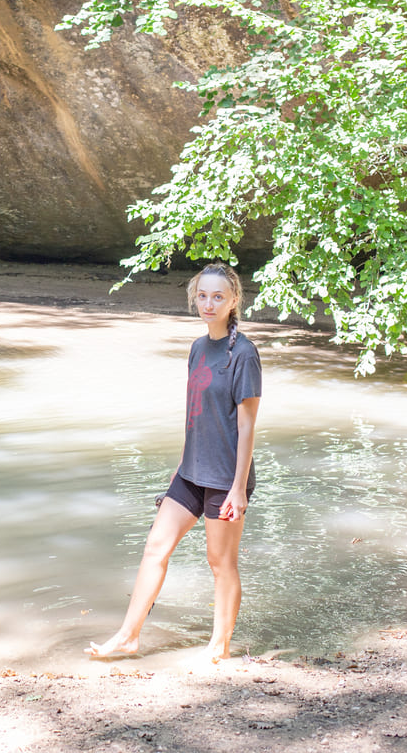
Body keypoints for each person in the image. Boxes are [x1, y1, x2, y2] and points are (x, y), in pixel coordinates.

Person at [85, 262, 262, 665]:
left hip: (225, 478)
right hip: (190, 472)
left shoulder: (244, 355)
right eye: (202, 295)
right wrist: (180, 466)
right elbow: (196, 413)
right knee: (155, 547)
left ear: (234, 300)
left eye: (218, 296)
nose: (208, 303)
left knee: (220, 563)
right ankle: (128, 637)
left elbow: (247, 427)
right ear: (193, 298)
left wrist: (238, 488)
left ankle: (219, 646)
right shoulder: (199, 348)